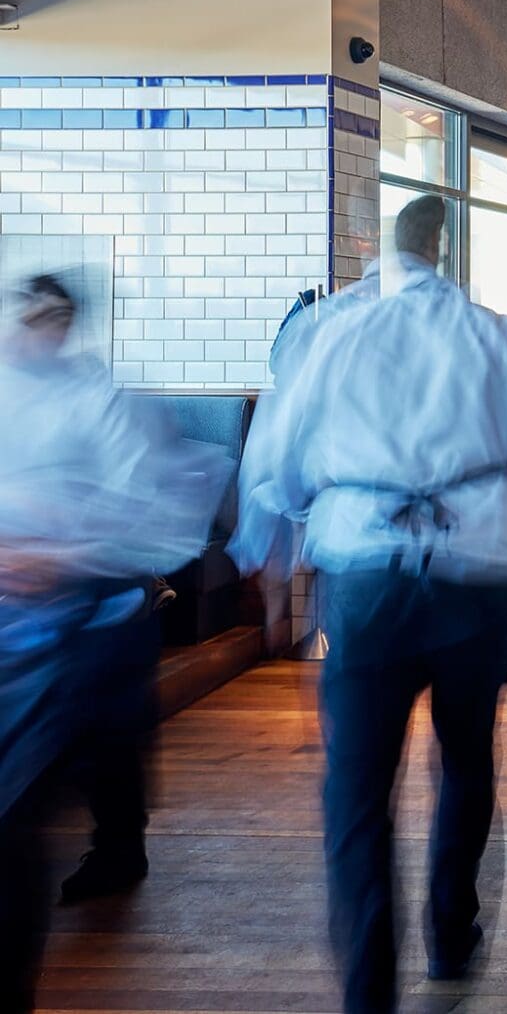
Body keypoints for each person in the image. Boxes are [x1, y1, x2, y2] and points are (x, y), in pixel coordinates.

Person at [233, 195, 507, 1011]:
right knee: (465, 758)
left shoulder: (331, 334)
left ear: (388, 258)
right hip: (475, 579)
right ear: (446, 251)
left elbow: (276, 469)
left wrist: (297, 529)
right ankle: (451, 934)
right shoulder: (497, 334)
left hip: (365, 578)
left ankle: (370, 989)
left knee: (357, 788)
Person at [0, 275, 225, 1011]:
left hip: (83, 611)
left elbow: (154, 512)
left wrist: (63, 556)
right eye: (28, 318)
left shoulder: (100, 398)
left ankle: (115, 846)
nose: (36, 332)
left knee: (81, 758)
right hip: (24, 619)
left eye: (48, 319)